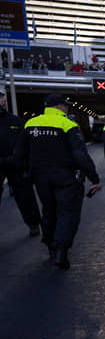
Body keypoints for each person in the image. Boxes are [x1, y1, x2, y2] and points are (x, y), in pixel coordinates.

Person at [13, 94, 102, 269]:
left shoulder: (30, 124)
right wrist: (94, 178)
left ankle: (51, 246)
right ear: (59, 107)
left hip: (40, 178)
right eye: (65, 105)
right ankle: (62, 249)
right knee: (67, 212)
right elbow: (80, 155)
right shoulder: (67, 125)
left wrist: (23, 174)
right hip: (66, 178)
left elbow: (19, 154)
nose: (67, 108)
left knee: (49, 210)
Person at [0, 90, 42, 237]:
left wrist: (28, 165)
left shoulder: (15, 121)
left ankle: (33, 224)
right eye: (0, 98)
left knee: (26, 197)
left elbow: (27, 143)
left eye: (3, 97)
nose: (3, 100)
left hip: (16, 164)